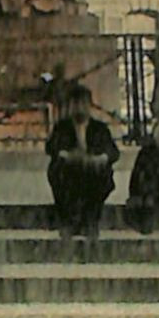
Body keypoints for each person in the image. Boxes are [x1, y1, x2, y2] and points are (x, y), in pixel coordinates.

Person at [44, 84, 119, 240]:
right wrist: (66, 155)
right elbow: (52, 147)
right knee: (61, 174)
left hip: (93, 170)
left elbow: (112, 151)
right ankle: (69, 222)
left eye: (83, 104)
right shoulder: (62, 127)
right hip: (70, 170)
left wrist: (100, 158)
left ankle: (90, 221)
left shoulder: (99, 128)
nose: (79, 108)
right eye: (76, 104)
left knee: (99, 177)